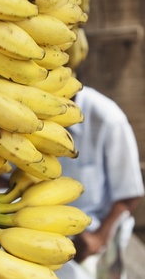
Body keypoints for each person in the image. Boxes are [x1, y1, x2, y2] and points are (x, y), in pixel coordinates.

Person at [59, 85, 144, 266]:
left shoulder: (107, 117)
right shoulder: (24, 116)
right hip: (40, 231)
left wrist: (99, 237)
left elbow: (130, 194)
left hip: (94, 234)